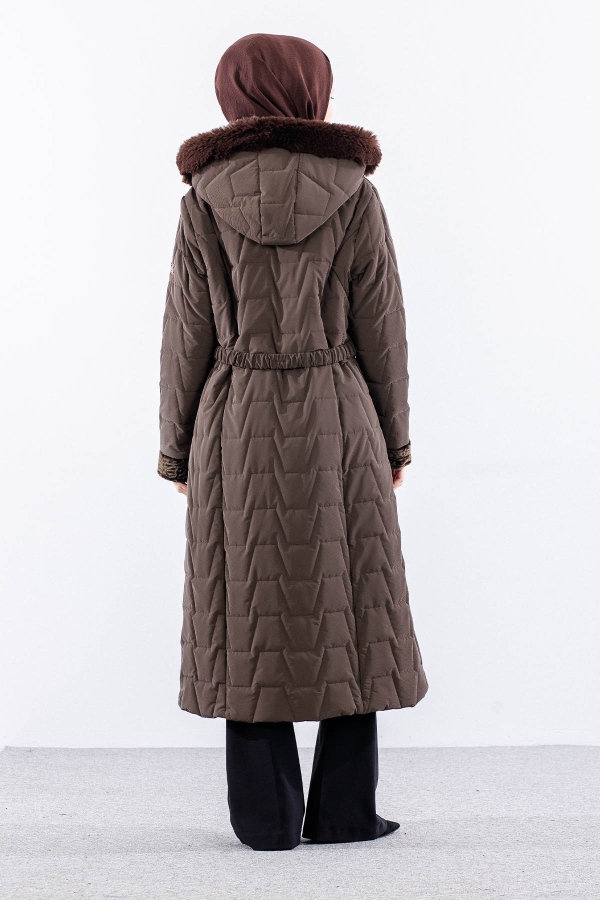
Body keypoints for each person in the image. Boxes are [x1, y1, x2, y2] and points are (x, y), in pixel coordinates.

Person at [157, 32, 428, 851]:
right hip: (338, 417)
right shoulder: (355, 193)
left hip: (234, 421)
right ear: (313, 93)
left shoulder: (203, 198)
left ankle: (266, 819)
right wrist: (395, 441)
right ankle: (345, 811)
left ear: (233, 96)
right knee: (354, 603)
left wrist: (176, 450)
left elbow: (185, 336)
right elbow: (383, 328)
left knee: (246, 610)